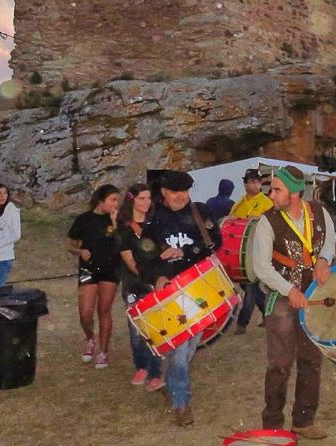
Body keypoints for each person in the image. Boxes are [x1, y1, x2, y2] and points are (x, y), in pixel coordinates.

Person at [250, 166, 336, 439]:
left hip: (313, 295)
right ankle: (273, 425)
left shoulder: (320, 212)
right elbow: (262, 268)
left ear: (296, 193)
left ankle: (303, 420)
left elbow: (330, 240)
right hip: (282, 299)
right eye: (271, 189)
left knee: (312, 359)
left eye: (277, 190)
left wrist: (324, 260)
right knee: (280, 363)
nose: (271, 195)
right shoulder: (267, 222)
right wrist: (290, 291)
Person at [144, 170, 217, 426]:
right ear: (164, 192)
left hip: (198, 288)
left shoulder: (198, 212)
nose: (182, 197)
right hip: (169, 293)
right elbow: (145, 256)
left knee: (189, 345)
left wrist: (186, 250)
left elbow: (213, 242)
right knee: (179, 349)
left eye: (185, 192)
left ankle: (172, 384)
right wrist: (159, 277)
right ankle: (182, 403)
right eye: (176, 193)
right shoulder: (152, 219)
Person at [67, 184, 122, 368]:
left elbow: (118, 241)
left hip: (110, 268)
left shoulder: (116, 220)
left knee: (104, 310)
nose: (116, 204)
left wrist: (115, 224)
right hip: (88, 269)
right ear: (101, 200)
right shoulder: (84, 219)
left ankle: (103, 351)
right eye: (113, 200)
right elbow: (70, 245)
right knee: (85, 313)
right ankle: (90, 338)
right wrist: (80, 251)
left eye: (118, 200)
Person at [116, 183, 164, 391]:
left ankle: (155, 372)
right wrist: (149, 278)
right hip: (135, 284)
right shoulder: (124, 228)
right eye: (141, 198)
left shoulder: (156, 222)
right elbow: (129, 261)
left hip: (155, 283)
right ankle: (141, 366)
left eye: (148, 198)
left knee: (155, 330)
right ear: (132, 200)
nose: (146, 202)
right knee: (136, 331)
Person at [231, 168, 272, 335]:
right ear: (245, 183)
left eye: (258, 181)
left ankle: (242, 324)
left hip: (257, 253)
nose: (256, 184)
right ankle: (268, 316)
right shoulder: (239, 204)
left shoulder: (266, 202)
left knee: (250, 289)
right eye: (252, 181)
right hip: (240, 256)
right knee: (253, 289)